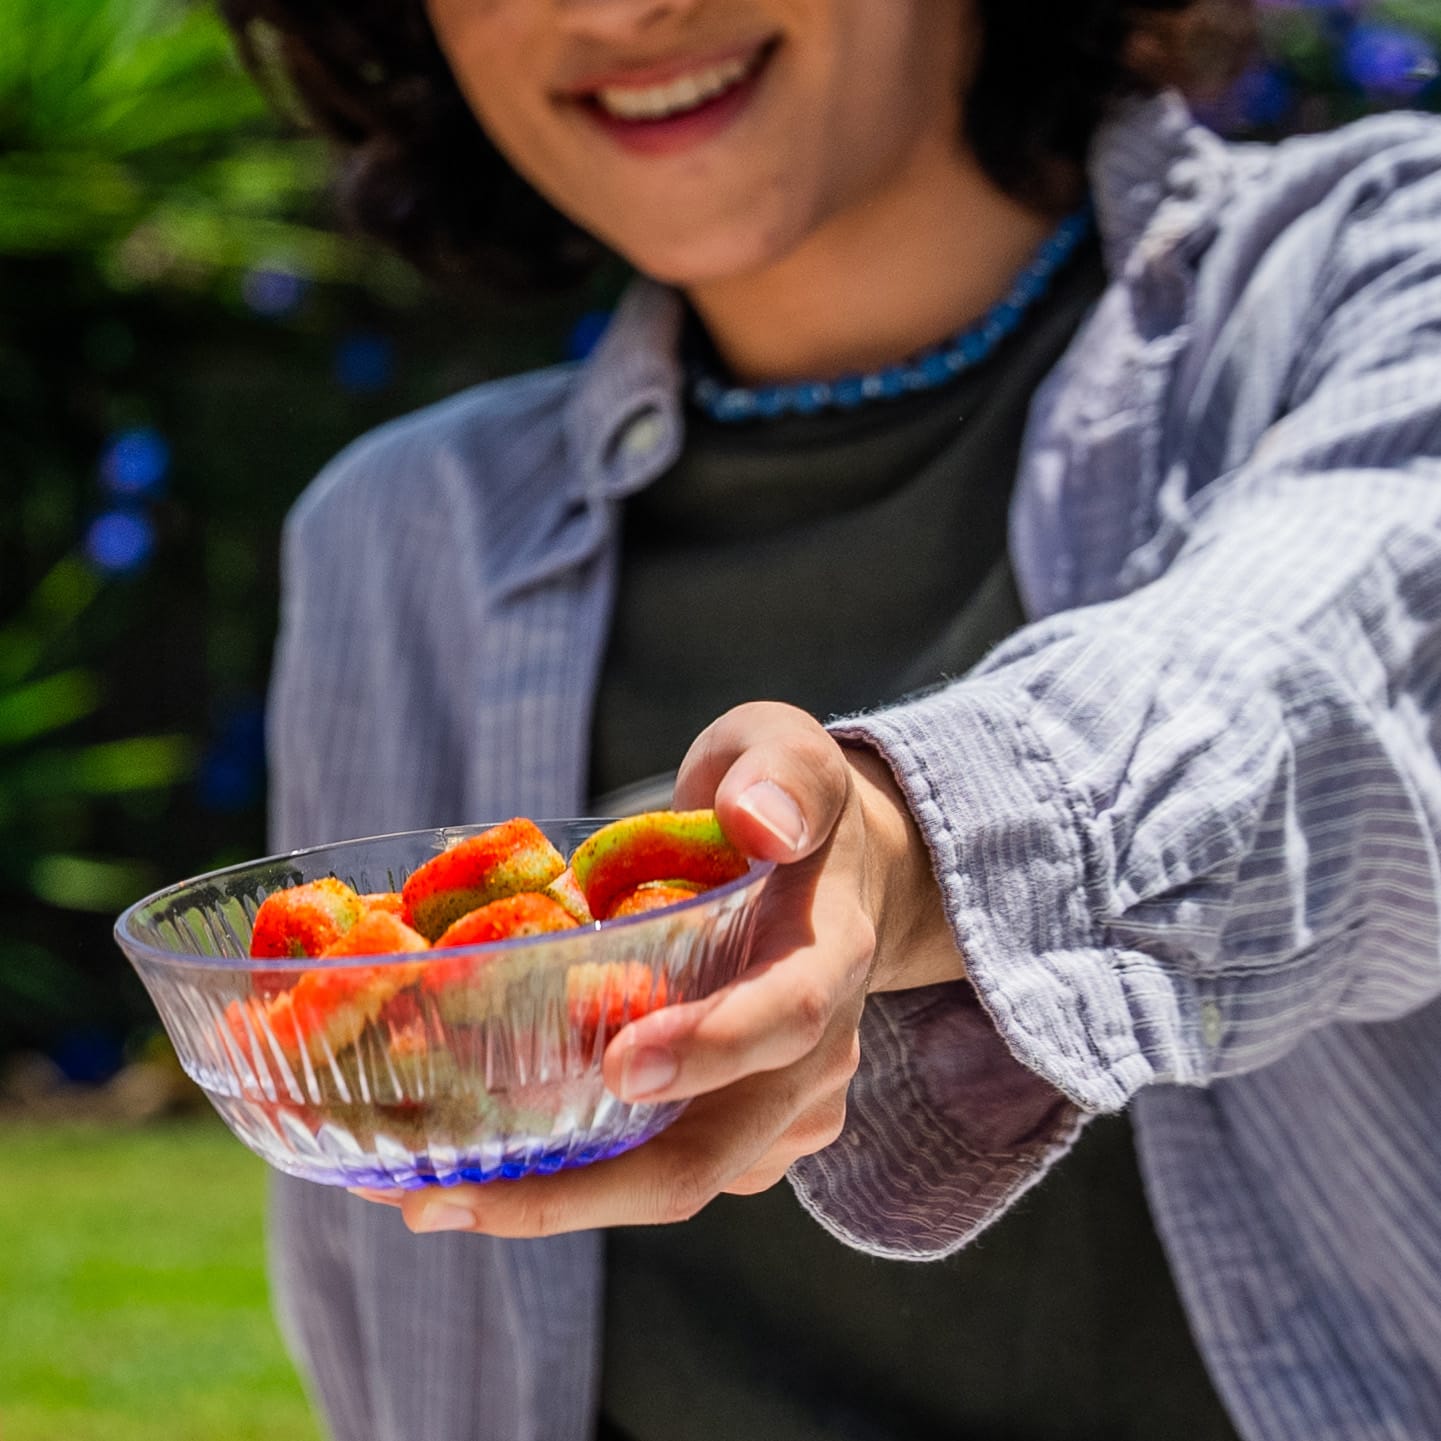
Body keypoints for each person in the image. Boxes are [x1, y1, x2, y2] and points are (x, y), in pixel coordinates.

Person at [221, 1, 1441, 1438]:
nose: (615, 11)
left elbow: (1324, 676)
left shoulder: (1373, 273)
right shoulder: (400, 542)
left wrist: (900, 846)